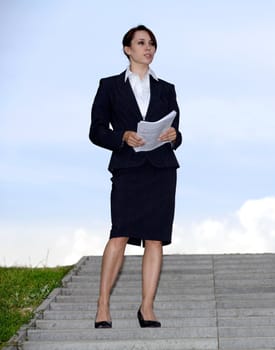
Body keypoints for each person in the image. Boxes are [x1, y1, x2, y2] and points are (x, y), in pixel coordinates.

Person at [89, 24, 182, 329]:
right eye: (142, 43)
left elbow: (177, 132)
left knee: (155, 239)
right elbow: (96, 131)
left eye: (152, 44)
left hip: (161, 170)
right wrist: (123, 136)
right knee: (119, 235)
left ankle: (147, 308)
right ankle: (103, 305)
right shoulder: (109, 86)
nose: (149, 48)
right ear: (127, 49)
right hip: (128, 168)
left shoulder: (167, 88)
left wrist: (173, 135)